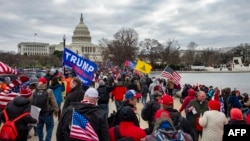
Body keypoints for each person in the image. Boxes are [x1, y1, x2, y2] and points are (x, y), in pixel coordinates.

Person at [32, 77, 59, 141]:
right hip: (47, 113)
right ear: (45, 83)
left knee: (39, 128)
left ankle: (41, 139)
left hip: (37, 113)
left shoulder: (34, 91)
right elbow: (53, 102)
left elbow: (31, 103)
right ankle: (47, 139)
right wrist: (56, 111)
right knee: (50, 127)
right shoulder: (49, 91)